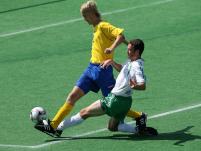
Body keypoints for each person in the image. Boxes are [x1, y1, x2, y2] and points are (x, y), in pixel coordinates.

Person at [34, 0, 146, 137]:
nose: (84, 19)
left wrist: (112, 48)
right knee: (72, 97)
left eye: (85, 16)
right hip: (91, 69)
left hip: (103, 71)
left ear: (92, 14)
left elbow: (120, 35)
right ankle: (53, 126)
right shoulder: (96, 28)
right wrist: (127, 44)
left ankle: (139, 116)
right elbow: (121, 39)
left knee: (111, 102)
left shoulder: (104, 25)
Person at [38, 39, 158, 137]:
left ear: (137, 52)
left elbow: (142, 85)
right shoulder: (132, 61)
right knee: (112, 127)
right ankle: (139, 129)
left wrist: (135, 85)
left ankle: (56, 128)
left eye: (130, 50)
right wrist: (112, 62)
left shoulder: (136, 66)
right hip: (125, 102)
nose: (127, 51)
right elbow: (124, 69)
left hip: (115, 100)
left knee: (84, 112)